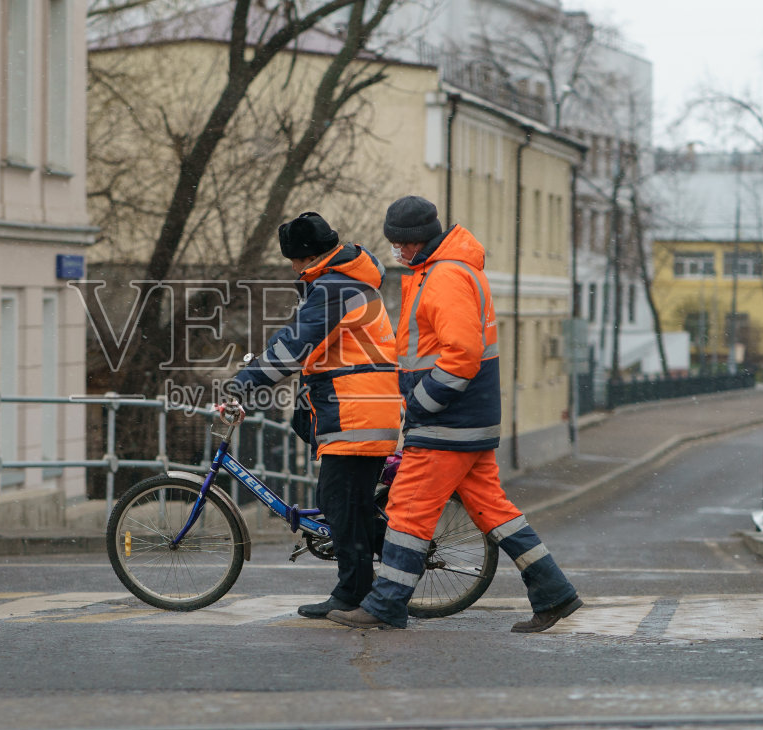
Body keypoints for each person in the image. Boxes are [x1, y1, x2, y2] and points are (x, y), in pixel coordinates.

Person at [329, 196, 583, 632]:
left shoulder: (444, 276)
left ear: (414, 242)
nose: (396, 252)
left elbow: (461, 354)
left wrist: (420, 403)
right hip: (468, 421)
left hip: (447, 422)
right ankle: (554, 592)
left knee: (407, 509)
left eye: (398, 244)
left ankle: (387, 603)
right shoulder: (443, 270)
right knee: (494, 511)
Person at [228, 212, 402, 619]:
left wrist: (245, 381)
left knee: (339, 503)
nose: (291, 266)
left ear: (305, 257)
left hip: (357, 412)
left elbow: (294, 346)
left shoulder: (334, 289)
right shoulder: (341, 283)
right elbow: (299, 338)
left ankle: (354, 593)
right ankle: (383, 577)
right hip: (358, 408)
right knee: (350, 505)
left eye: (292, 259)